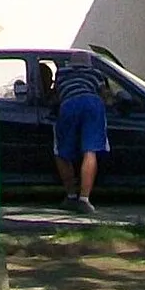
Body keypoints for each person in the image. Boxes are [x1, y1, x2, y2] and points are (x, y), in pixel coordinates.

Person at [52, 53, 110, 215]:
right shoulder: (96, 73)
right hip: (92, 103)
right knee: (90, 150)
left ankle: (70, 196)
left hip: (69, 104)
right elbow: (105, 95)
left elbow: (55, 95)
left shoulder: (62, 73)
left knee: (61, 152)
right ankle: (84, 200)